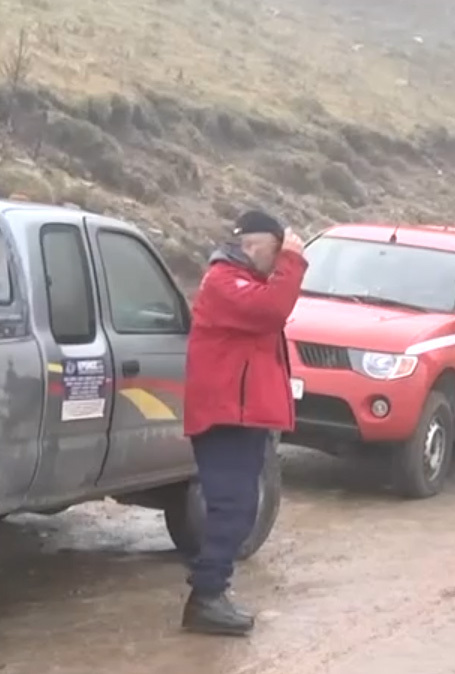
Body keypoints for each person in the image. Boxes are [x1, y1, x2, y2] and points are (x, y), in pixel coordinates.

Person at [181, 210, 307, 636]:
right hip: (224, 416)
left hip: (243, 414)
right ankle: (206, 597)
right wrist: (293, 261)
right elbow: (271, 311)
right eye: (276, 252)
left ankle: (209, 589)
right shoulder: (223, 282)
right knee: (231, 506)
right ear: (254, 245)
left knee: (241, 506)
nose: (279, 261)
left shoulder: (245, 281)